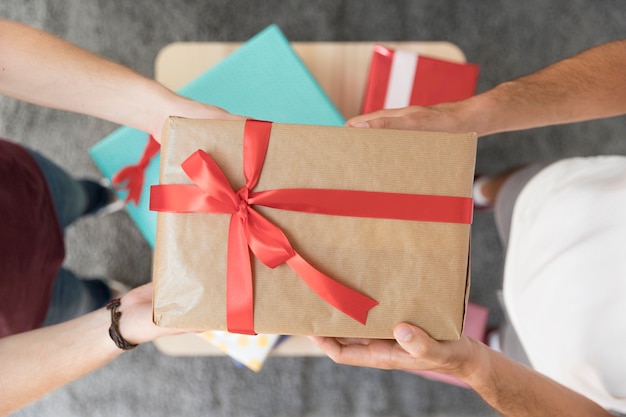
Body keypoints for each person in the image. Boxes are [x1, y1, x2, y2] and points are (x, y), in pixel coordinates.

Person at [311, 39, 626, 417]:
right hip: (567, 203)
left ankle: (484, 337)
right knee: (512, 190)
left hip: (563, 377)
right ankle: (475, 191)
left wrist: (475, 367)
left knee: (469, 344)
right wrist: (466, 117)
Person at [0, 19, 241, 416]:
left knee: (76, 195)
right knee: (83, 299)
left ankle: (100, 196)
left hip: (22, 188)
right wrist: (117, 325)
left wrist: (160, 112)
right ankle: (105, 292)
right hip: (26, 306)